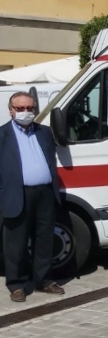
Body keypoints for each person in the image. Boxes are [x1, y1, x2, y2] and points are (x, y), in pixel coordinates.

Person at [0, 91, 64, 302]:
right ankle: (16, 285)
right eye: (20, 109)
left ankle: (43, 281)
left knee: (44, 240)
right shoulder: (2, 135)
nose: (26, 112)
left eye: (30, 108)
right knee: (15, 244)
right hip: (17, 195)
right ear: (11, 111)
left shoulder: (44, 132)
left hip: (45, 193)